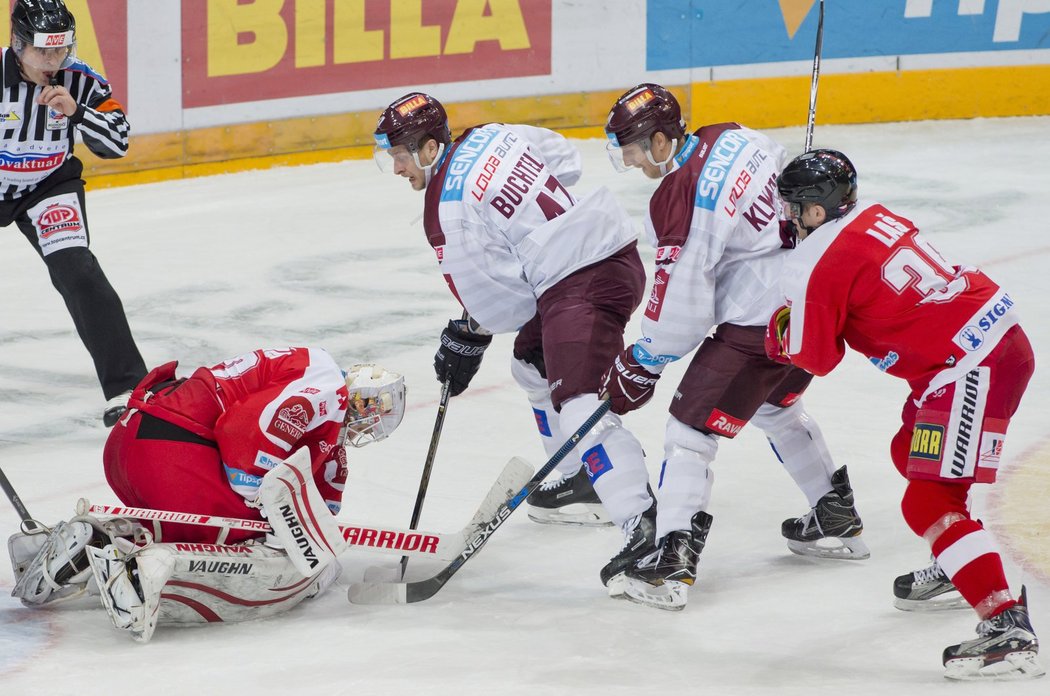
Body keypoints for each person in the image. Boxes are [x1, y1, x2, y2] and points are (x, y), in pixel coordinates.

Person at [770, 149, 1042, 680]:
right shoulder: (874, 213)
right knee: (909, 451)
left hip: (967, 368)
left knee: (926, 501)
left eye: (794, 208)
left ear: (818, 211)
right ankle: (960, 560)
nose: (788, 218)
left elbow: (815, 357)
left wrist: (783, 322)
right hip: (989, 344)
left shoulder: (811, 264)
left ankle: (1007, 626)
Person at [373, 92, 655, 592]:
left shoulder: (443, 210)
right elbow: (564, 159)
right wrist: (529, 226)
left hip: (582, 279)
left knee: (579, 403)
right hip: (608, 254)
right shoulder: (491, 135)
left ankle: (645, 527)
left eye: (400, 154)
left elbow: (501, 306)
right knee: (532, 362)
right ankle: (581, 481)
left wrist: (468, 335)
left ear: (431, 148)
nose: (395, 168)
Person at [599, 84, 866, 611]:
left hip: (756, 324)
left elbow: (683, 300)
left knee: (688, 431)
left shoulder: (677, 197)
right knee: (778, 407)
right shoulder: (734, 136)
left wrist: (644, 358)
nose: (629, 162)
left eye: (631, 149)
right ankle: (833, 513)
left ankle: (671, 560)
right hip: (805, 307)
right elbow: (795, 189)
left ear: (658, 142)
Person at [7, 346, 406, 642]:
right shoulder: (326, 387)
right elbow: (242, 433)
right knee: (252, 538)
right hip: (172, 454)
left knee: (195, 523)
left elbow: (320, 508)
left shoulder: (323, 415)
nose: (368, 422)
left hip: (132, 445)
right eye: (372, 408)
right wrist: (271, 523)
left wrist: (310, 533)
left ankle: (101, 540)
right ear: (356, 388)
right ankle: (150, 570)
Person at [2, 0, 146, 425]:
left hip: (48, 186)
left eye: (60, 50)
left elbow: (118, 143)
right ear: (17, 43)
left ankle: (128, 387)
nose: (53, 61)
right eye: (43, 51)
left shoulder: (80, 79)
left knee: (79, 273)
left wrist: (77, 112)